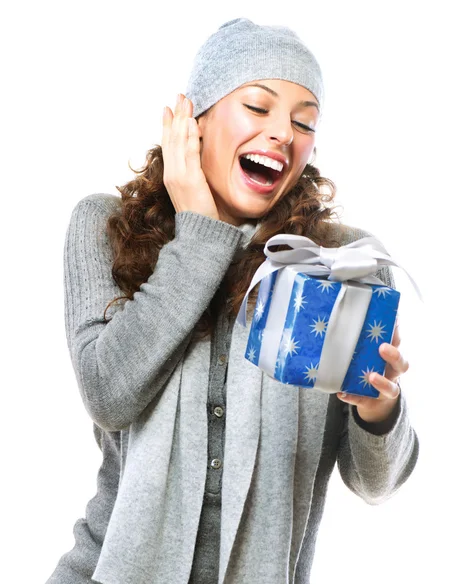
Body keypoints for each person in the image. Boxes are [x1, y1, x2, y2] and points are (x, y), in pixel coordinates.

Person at [46, 17, 419, 584]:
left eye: (303, 122)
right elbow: (108, 393)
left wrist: (379, 410)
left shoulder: (345, 264)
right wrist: (197, 229)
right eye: (257, 106)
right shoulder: (105, 227)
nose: (282, 135)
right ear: (197, 119)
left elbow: (376, 484)